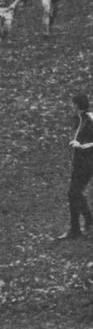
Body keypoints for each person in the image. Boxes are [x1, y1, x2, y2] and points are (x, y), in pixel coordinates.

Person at [59, 94, 93, 240]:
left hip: (88, 163)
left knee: (73, 193)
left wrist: (82, 146)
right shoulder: (79, 119)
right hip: (79, 163)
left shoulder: (89, 119)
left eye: (73, 105)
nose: (71, 107)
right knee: (75, 192)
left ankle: (76, 229)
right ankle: (88, 221)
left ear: (77, 105)